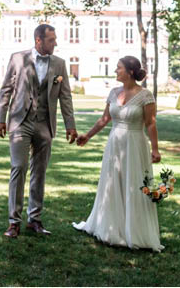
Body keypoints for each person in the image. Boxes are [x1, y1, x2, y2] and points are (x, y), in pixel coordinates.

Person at [72, 56, 164, 252]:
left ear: (130, 72)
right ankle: (111, 227)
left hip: (135, 144)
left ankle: (135, 231)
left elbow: (151, 123)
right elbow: (104, 119)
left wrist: (155, 149)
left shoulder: (145, 95)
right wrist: (87, 136)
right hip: (114, 144)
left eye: (119, 68)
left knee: (134, 184)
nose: (115, 71)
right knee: (112, 183)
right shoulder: (113, 93)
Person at [0, 23, 78, 238]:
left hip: (45, 123)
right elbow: (5, 90)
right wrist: (0, 119)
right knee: (19, 167)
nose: (55, 43)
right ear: (38, 40)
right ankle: (14, 222)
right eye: (51, 40)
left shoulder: (59, 64)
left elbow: (65, 95)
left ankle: (35, 220)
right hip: (20, 121)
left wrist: (70, 124)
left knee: (39, 172)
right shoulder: (17, 58)